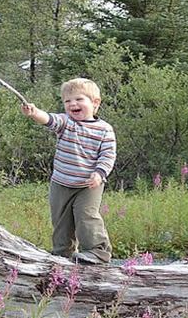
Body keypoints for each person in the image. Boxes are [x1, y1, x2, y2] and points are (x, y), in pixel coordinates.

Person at [20, 78, 116, 264]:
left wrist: (99, 174)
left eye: (79, 99)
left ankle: (98, 252)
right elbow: (48, 119)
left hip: (88, 185)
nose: (73, 104)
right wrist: (34, 113)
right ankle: (62, 254)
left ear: (95, 103)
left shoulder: (105, 130)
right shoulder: (66, 123)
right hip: (61, 183)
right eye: (67, 101)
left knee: (87, 217)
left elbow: (108, 156)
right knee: (61, 221)